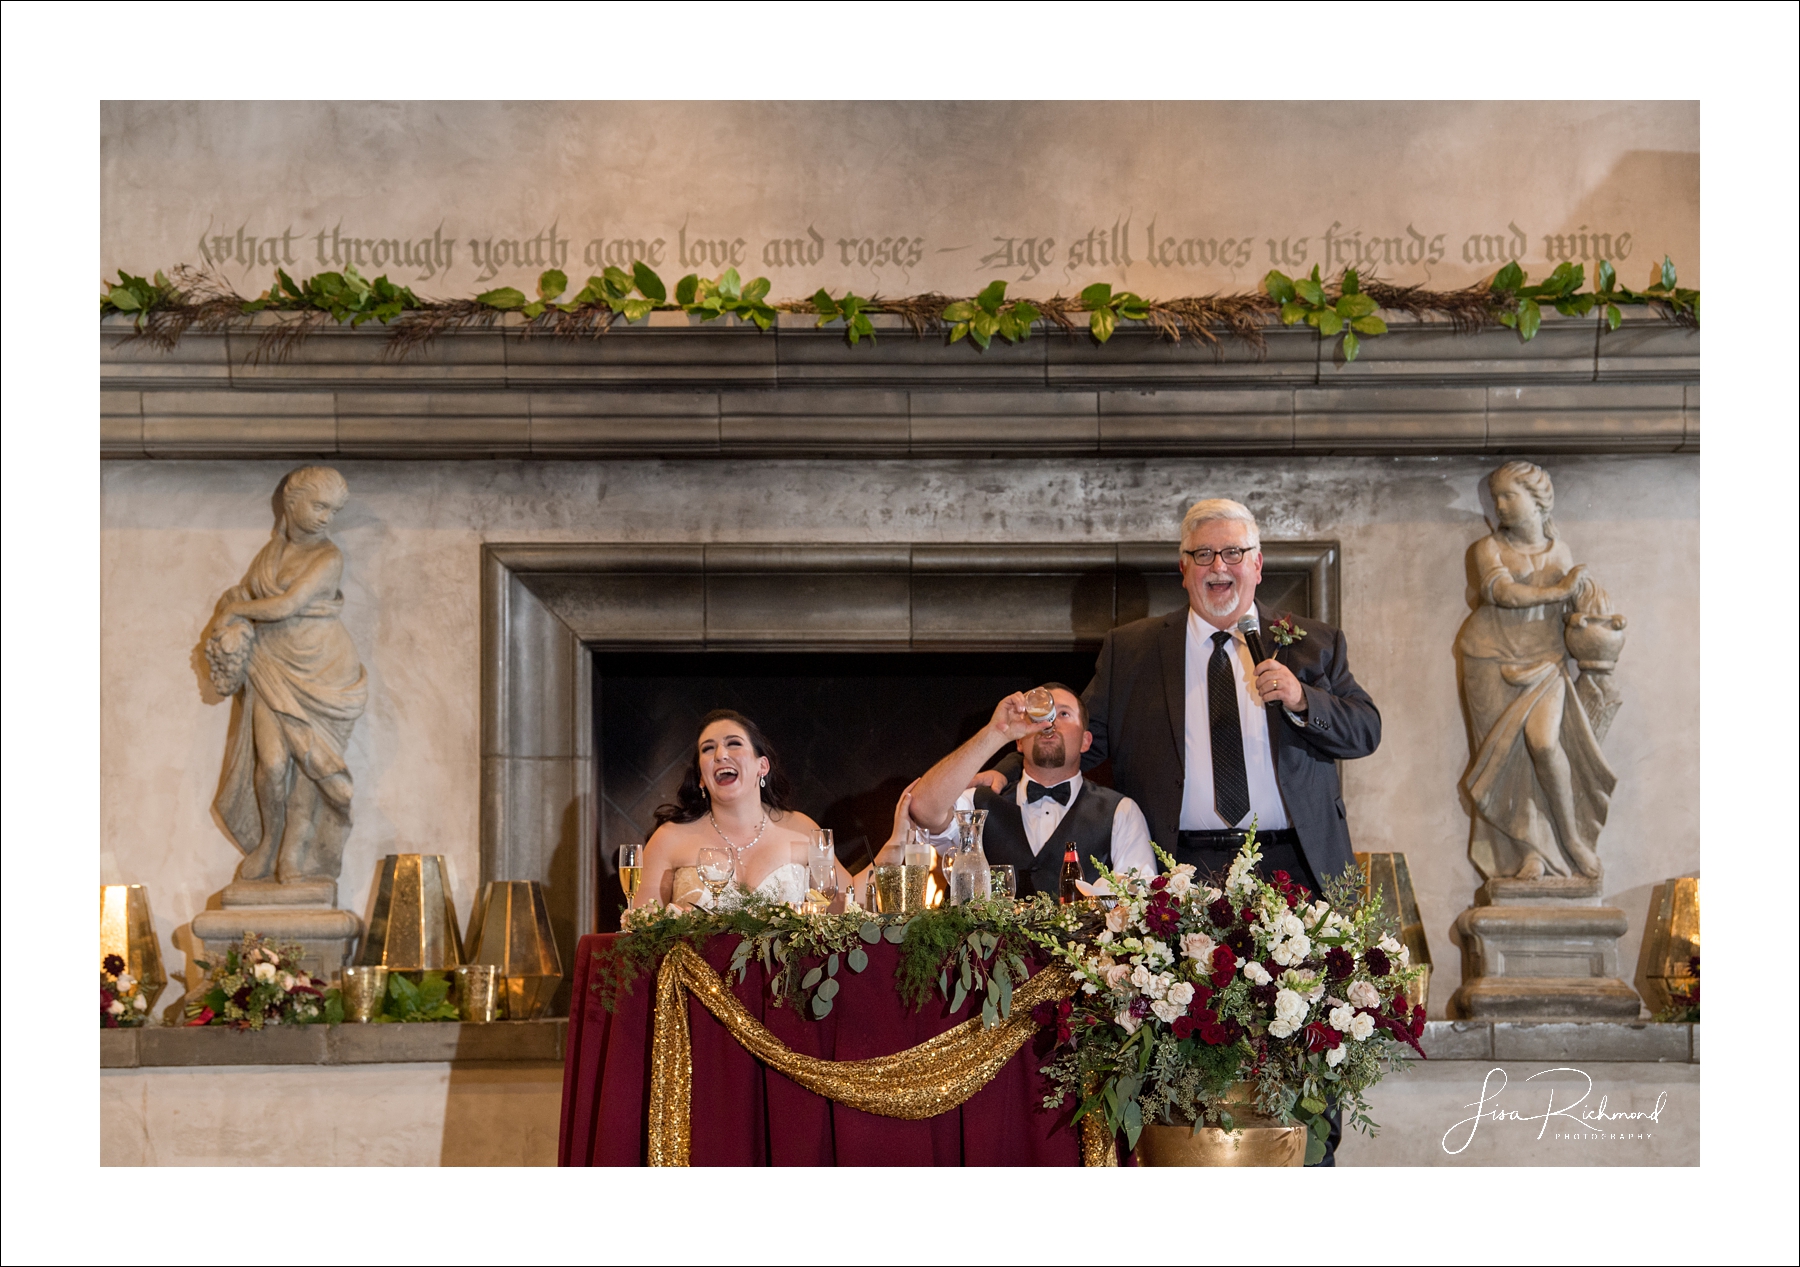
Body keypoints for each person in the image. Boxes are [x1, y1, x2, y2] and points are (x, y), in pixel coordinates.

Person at [206, 466, 368, 884]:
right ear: (291, 503)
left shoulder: (329, 556)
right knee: (273, 764)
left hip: (323, 669)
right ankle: (269, 841)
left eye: (333, 511)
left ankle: (293, 853)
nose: (325, 518)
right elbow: (250, 595)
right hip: (271, 664)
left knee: (309, 765)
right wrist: (233, 612)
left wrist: (236, 611)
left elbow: (285, 605)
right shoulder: (270, 554)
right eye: (319, 506)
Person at [1456, 461, 1615, 880]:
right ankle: (1529, 852)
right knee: (1509, 761)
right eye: (1497, 499)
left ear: (1538, 500)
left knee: (1543, 743)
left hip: (1546, 661)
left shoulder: (1560, 552)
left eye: (1510, 496)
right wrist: (1559, 589)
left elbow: (1581, 610)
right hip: (1488, 658)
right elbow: (1501, 592)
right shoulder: (1486, 549)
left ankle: (1571, 837)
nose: (1502, 505)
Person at [908, 684, 1157, 898]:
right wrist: (996, 733)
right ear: (1019, 741)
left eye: (1064, 714)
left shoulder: (1120, 811)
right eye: (1041, 715)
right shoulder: (978, 801)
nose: (1049, 723)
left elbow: (1141, 901)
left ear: (1086, 741)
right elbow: (922, 808)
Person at [636, 710, 857, 909]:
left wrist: (893, 843)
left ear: (762, 766)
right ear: (701, 777)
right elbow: (640, 928)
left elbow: (849, 902)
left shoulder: (804, 828)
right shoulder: (667, 839)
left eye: (734, 743)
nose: (720, 755)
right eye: (708, 748)